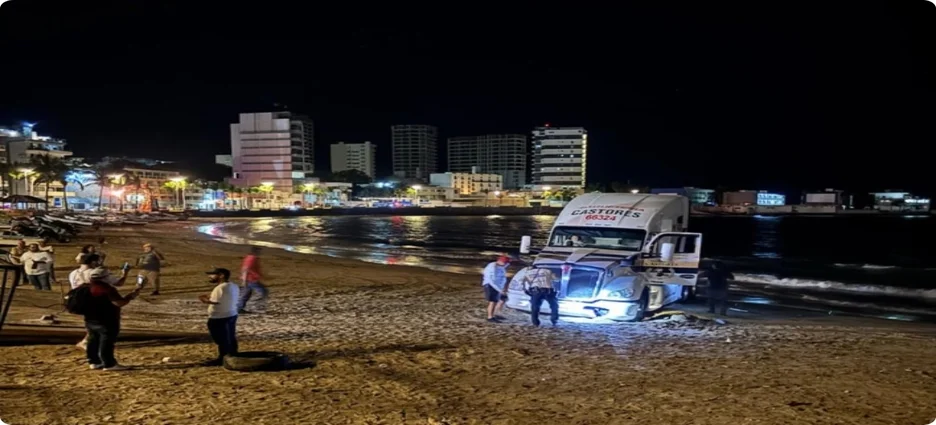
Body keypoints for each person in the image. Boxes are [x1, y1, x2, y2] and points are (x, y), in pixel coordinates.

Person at [82, 267, 141, 371]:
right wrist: (130, 296)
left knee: (93, 339)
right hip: (107, 318)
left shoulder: (85, 287)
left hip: (90, 318)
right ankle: (109, 364)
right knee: (106, 341)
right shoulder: (107, 289)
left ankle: (94, 361)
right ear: (105, 277)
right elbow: (119, 303)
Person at [71, 254, 129, 350]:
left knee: (91, 322)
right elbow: (119, 283)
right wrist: (125, 273)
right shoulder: (97, 273)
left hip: (80, 300)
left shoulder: (73, 273)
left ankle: (87, 342)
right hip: (99, 301)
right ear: (94, 262)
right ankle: (96, 346)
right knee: (104, 325)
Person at [199, 267, 239, 366]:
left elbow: (215, 302)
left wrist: (204, 299)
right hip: (231, 314)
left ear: (221, 275)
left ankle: (223, 358)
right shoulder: (233, 285)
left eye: (213, 274)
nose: (210, 276)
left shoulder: (220, 287)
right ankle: (233, 355)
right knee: (230, 337)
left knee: (221, 339)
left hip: (219, 317)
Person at [237, 246, 268, 314]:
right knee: (263, 291)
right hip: (251, 279)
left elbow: (246, 269)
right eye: (259, 251)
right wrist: (244, 280)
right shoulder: (252, 258)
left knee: (246, 294)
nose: (260, 253)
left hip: (249, 279)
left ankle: (239, 308)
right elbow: (246, 269)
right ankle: (253, 306)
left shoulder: (249, 257)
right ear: (256, 251)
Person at [481, 255, 510, 323]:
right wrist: (499, 290)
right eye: (505, 262)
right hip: (490, 285)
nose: (506, 264)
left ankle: (496, 313)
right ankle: (490, 317)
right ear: (499, 261)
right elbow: (492, 280)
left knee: (503, 299)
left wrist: (502, 288)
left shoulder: (501, 266)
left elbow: (502, 278)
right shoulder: (491, 267)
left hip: (498, 286)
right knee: (493, 301)